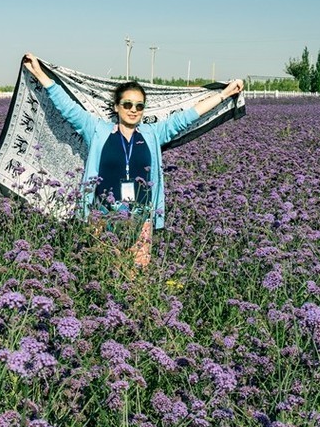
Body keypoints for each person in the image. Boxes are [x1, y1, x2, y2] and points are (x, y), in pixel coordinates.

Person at [20, 52, 244, 268]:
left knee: (136, 277)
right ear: (117, 107)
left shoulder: (153, 133)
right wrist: (40, 74)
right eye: (127, 104)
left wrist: (223, 95)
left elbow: (187, 116)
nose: (133, 110)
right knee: (105, 275)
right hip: (102, 216)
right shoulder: (97, 130)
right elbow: (68, 109)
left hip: (141, 218)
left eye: (139, 106)